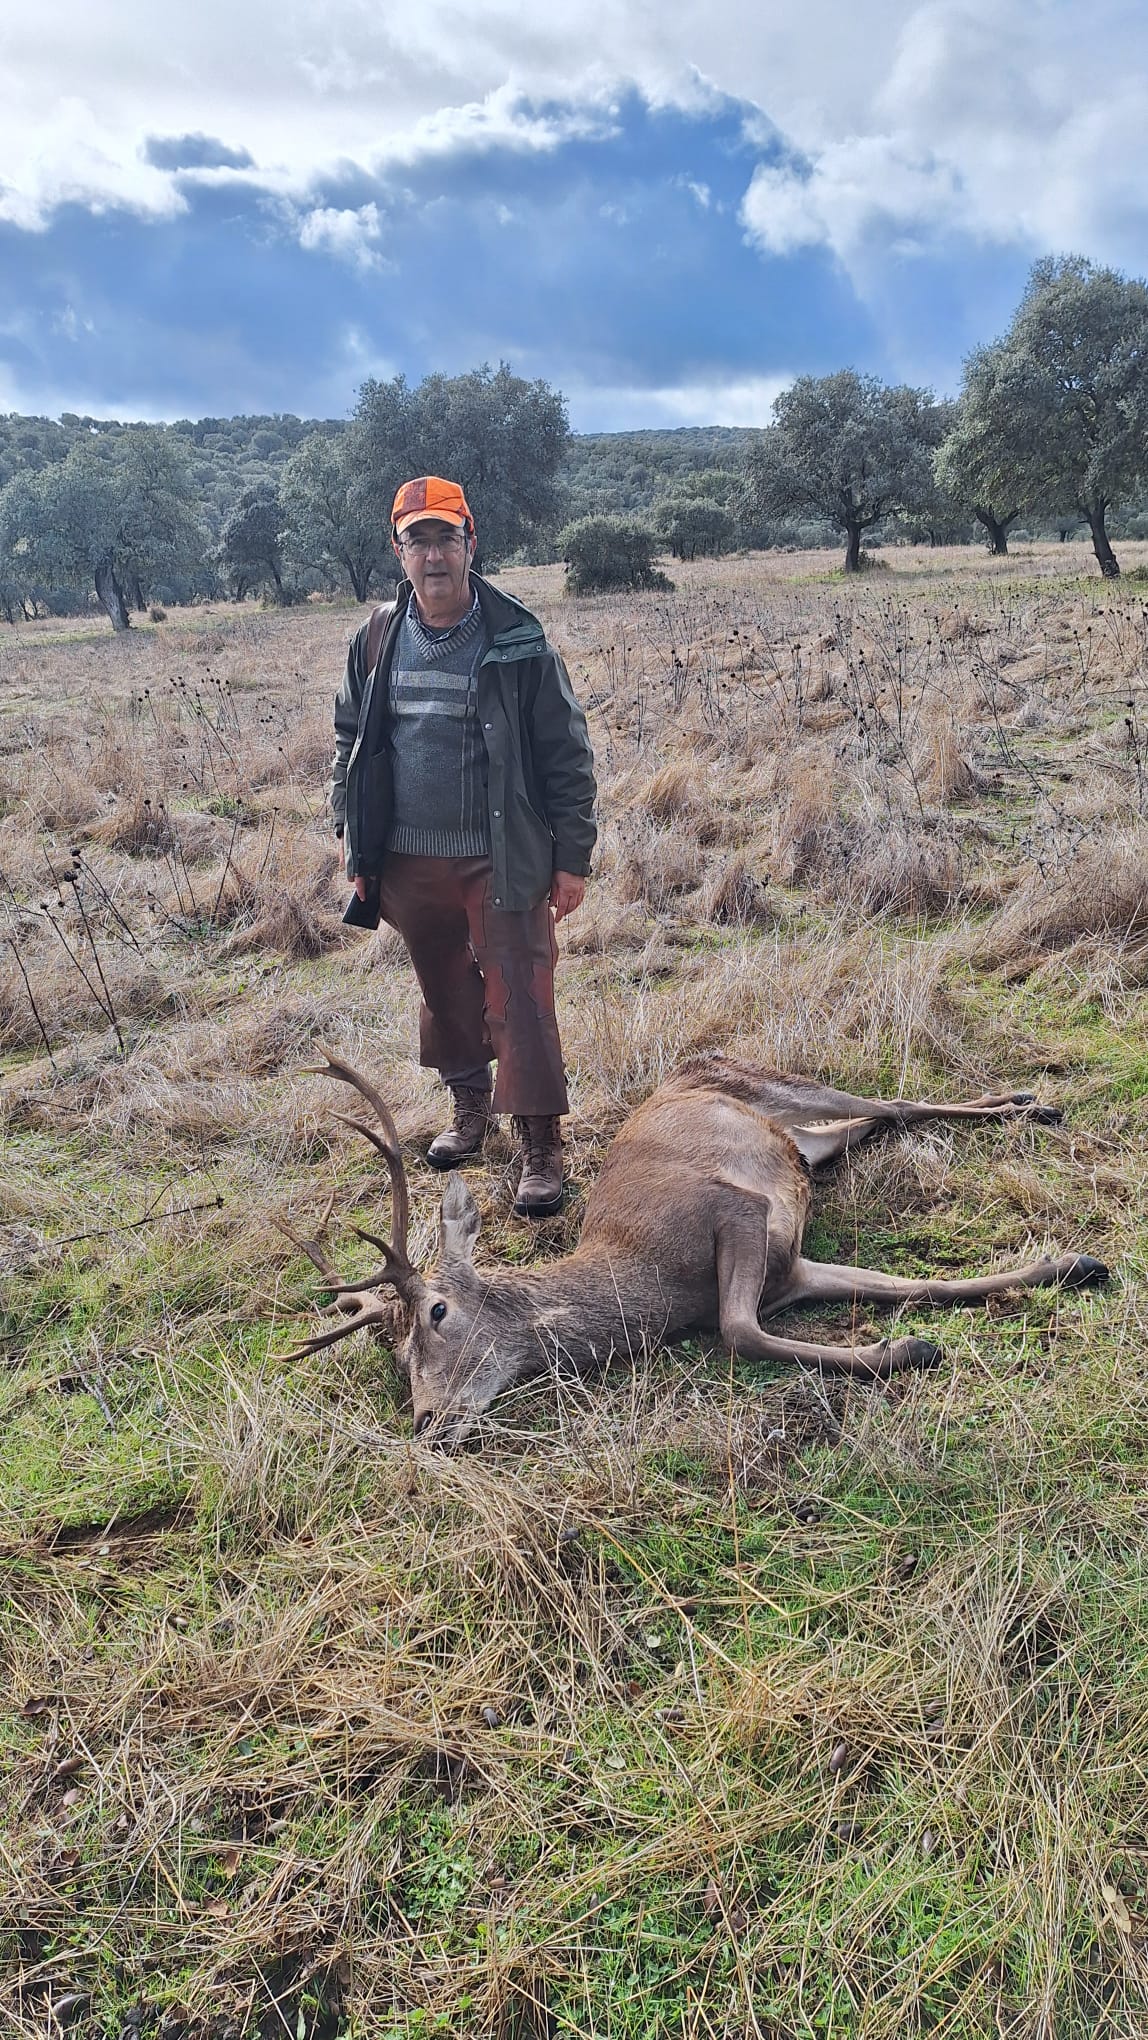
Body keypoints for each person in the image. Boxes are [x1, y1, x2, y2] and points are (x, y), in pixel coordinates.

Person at [331, 475, 597, 1217]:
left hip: (500, 854)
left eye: (446, 538)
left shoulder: (517, 637)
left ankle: (540, 1142)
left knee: (521, 991)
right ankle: (470, 1109)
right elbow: (350, 742)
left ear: (471, 544)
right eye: (418, 541)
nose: (434, 556)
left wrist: (571, 858)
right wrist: (356, 843)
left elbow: (566, 755)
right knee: (445, 988)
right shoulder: (376, 638)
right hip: (408, 860)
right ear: (399, 552)